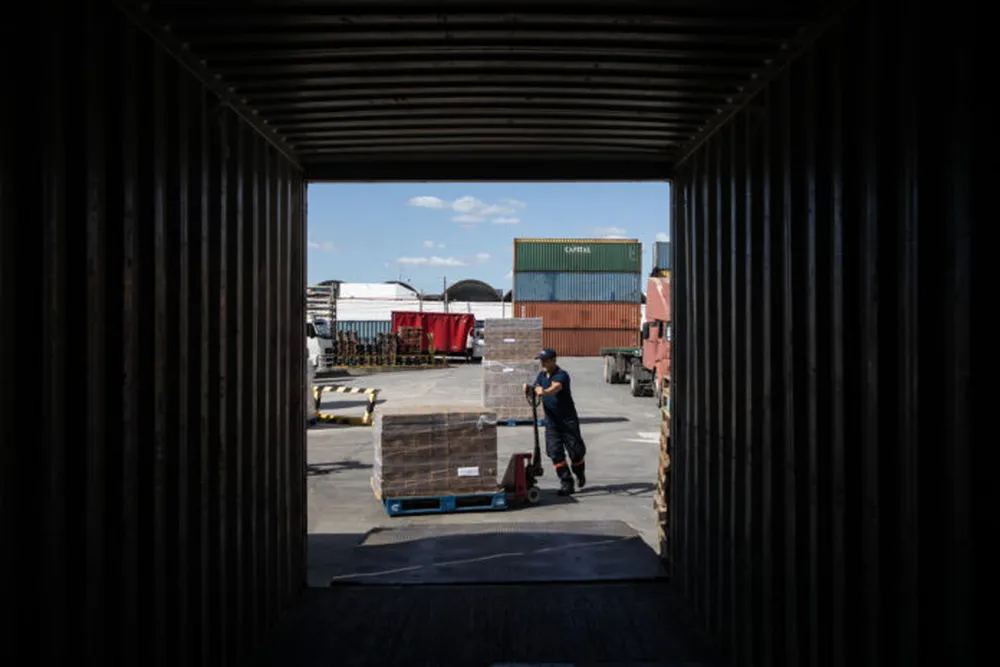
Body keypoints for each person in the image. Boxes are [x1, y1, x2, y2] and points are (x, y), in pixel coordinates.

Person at [523, 348, 587, 496]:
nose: (542, 364)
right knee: (554, 452)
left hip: (568, 422)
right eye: (541, 361)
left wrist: (544, 392)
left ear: (553, 360)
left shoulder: (562, 375)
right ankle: (566, 482)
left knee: (576, 453)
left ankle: (579, 472)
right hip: (552, 422)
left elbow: (555, 388)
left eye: (545, 361)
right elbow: (536, 387)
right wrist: (529, 389)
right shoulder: (542, 375)